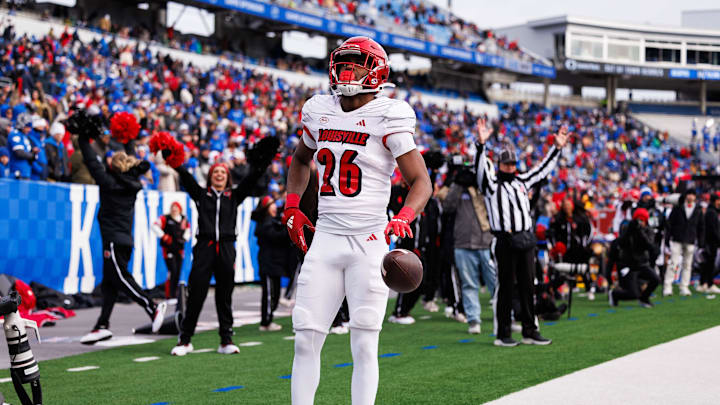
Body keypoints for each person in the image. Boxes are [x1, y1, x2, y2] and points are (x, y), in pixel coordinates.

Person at [283, 37, 432, 405]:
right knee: (305, 338)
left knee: (364, 343)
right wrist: (291, 206)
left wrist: (404, 216)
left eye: (358, 63)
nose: (349, 70)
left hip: (368, 241)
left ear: (377, 70)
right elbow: (301, 160)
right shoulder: (319, 109)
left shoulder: (389, 113)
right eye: (345, 62)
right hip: (327, 238)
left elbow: (421, 181)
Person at [170, 136, 279, 356]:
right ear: (210, 177)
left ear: (227, 177)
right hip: (204, 247)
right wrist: (173, 160)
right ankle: (185, 340)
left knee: (224, 294)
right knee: (197, 293)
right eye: (215, 172)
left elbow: (253, 176)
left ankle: (226, 340)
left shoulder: (235, 196)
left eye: (223, 172)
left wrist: (263, 161)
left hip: (227, 248)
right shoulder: (201, 195)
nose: (219, 175)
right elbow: (185, 176)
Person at [71, 112, 167, 344]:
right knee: (110, 284)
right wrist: (128, 137)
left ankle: (151, 307)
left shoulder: (109, 183)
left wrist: (84, 137)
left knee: (121, 279)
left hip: (113, 240)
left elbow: (91, 160)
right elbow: (130, 158)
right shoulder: (132, 183)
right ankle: (102, 324)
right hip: (124, 240)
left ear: (114, 168)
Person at [475, 120, 567, 347]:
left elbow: (542, 170)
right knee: (505, 288)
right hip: (504, 240)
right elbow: (480, 173)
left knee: (528, 286)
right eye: (506, 164)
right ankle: (503, 333)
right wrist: (481, 145)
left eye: (513, 164)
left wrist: (556, 148)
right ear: (499, 165)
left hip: (525, 239)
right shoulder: (492, 184)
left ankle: (530, 330)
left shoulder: (521, 180)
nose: (510, 167)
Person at [441, 165, 496, 334]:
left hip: (485, 241)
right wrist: (457, 183)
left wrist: (479, 182)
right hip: (463, 243)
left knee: (495, 282)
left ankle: (503, 314)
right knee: (468, 284)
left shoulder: (486, 187)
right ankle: (473, 320)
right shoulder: (458, 188)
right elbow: (447, 206)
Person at [252, 195, 295, 332]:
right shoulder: (265, 223)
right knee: (269, 294)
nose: (274, 206)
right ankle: (266, 322)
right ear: (266, 208)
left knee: (274, 294)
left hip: (275, 263)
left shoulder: (272, 221)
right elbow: (277, 237)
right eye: (271, 204)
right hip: (268, 263)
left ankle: (268, 319)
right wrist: (288, 228)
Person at [609, 208, 660, 308]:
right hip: (629, 265)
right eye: (638, 220)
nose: (640, 222)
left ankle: (644, 298)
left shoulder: (648, 231)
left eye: (642, 220)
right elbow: (621, 243)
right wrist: (629, 231)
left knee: (656, 279)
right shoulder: (627, 228)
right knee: (633, 294)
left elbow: (649, 246)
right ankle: (615, 294)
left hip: (642, 264)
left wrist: (640, 232)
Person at [664, 190, 704, 296]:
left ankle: (684, 286)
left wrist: (701, 242)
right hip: (677, 238)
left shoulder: (698, 209)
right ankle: (668, 286)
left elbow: (701, 227)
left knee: (687, 265)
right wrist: (668, 239)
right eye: (689, 194)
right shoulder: (678, 207)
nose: (690, 197)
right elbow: (670, 224)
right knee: (673, 263)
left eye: (693, 195)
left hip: (690, 239)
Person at [152, 202, 190, 299]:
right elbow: (154, 226)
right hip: (168, 249)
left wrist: (185, 238)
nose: (174, 210)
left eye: (176, 208)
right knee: (172, 270)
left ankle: (176, 293)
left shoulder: (183, 219)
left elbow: (188, 230)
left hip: (179, 249)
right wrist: (164, 236)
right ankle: (170, 294)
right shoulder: (166, 218)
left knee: (178, 271)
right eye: (173, 207)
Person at [698, 194, 720, 293]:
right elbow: (713, 230)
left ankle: (703, 283)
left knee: (707, 264)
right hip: (711, 242)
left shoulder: (711, 212)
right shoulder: (712, 213)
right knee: (709, 264)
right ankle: (709, 284)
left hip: (710, 242)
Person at [8, 114, 37, 180]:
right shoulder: (15, 134)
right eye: (27, 127)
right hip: (17, 172)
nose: (29, 130)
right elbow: (19, 153)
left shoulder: (24, 136)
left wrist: (33, 152)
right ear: (21, 125)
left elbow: (27, 152)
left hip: (25, 172)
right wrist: (33, 156)